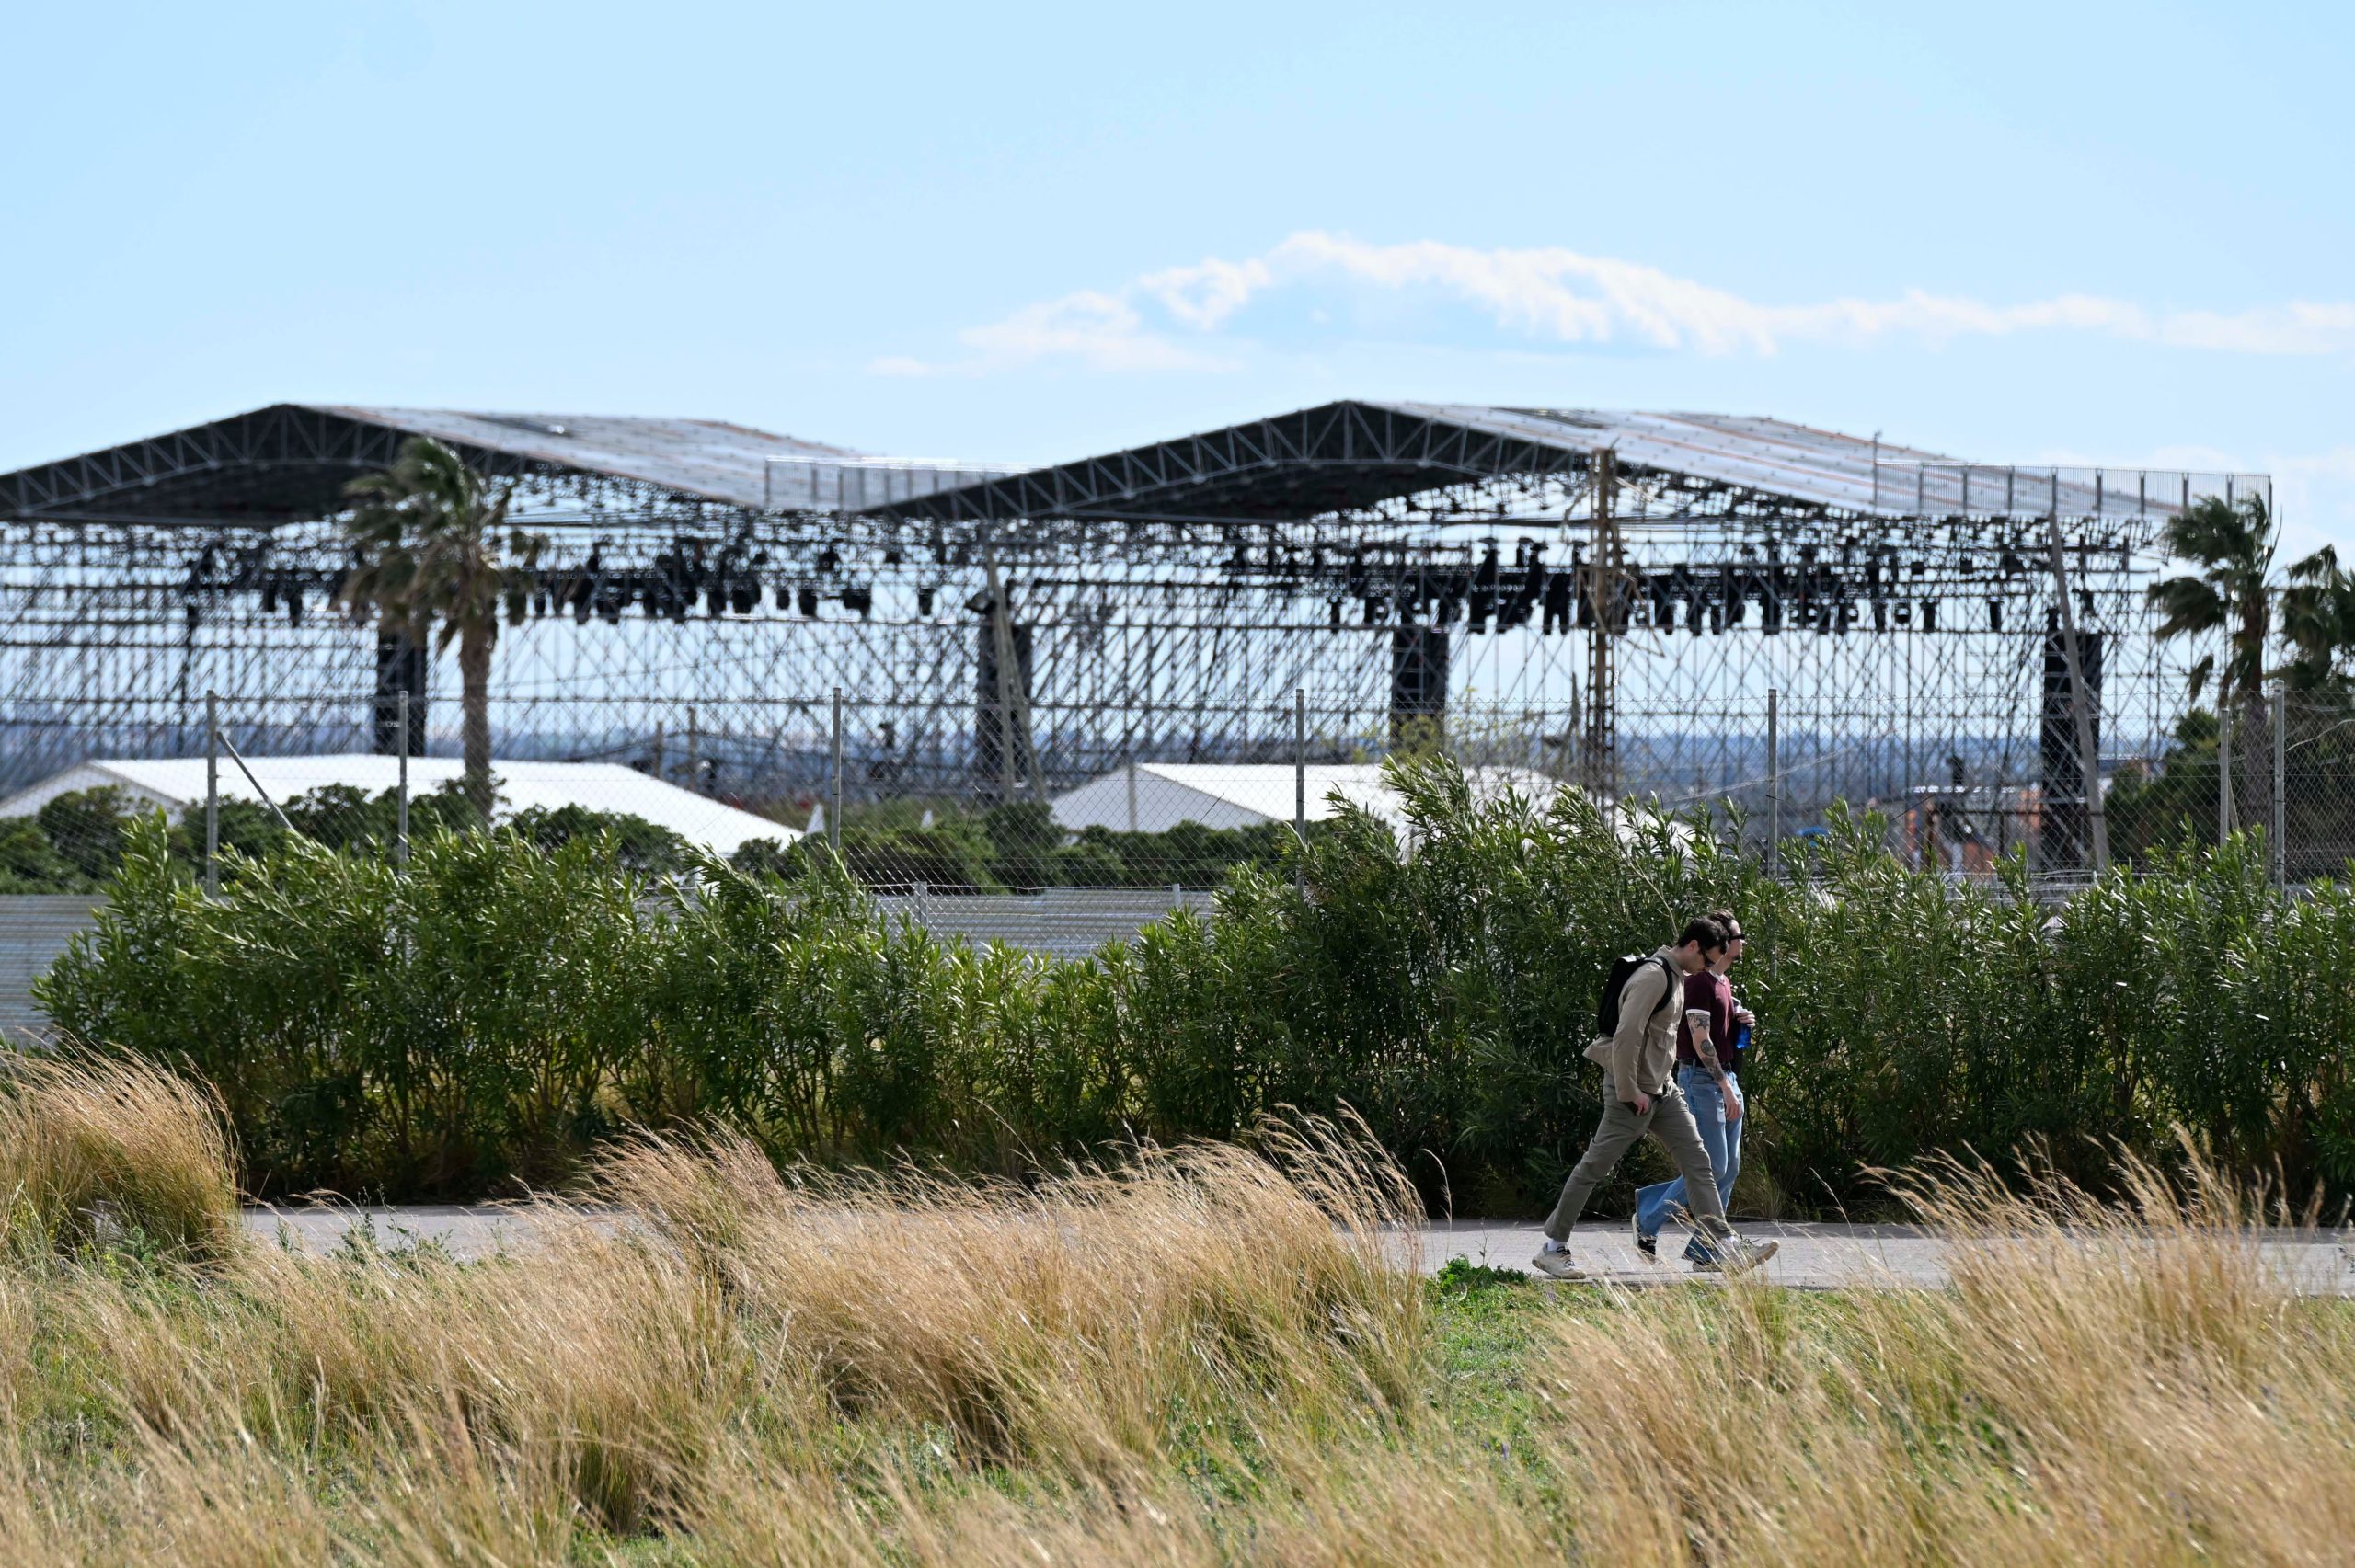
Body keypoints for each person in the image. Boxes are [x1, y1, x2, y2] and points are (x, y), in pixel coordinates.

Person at [1532, 917, 1777, 1280]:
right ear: (1693, 946)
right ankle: (1553, 1247)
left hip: (1663, 1092)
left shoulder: (1679, 977)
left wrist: (1661, 1087)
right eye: (1707, 960)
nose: (1708, 969)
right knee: (1594, 1167)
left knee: (1699, 1162)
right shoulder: (1654, 976)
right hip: (1631, 1094)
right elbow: (1627, 1036)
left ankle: (1725, 1246)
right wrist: (1630, 1091)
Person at [1630, 908, 1755, 1268]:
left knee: (1727, 1169)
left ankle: (1705, 1250)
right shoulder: (1700, 982)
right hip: (1704, 1082)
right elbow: (1700, 1038)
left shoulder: (1722, 982)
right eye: (1737, 936)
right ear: (1723, 941)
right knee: (1710, 1166)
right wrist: (1724, 1086)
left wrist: (1739, 1020)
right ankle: (1649, 1215)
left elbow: (1717, 1032)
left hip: (1726, 1078)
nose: (1742, 941)